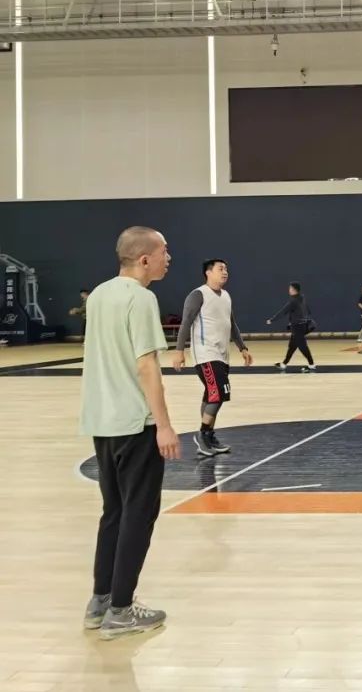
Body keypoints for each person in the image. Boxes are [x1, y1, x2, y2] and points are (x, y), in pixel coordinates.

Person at [80, 226, 181, 640]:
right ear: (144, 259)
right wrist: (164, 425)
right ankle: (121, 611)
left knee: (114, 512)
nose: (168, 258)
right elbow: (146, 366)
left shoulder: (99, 295)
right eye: (164, 252)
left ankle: (100, 602)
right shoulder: (141, 298)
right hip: (135, 424)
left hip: (102, 422)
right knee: (138, 515)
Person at [172, 259, 254, 458]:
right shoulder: (198, 294)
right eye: (220, 269)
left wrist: (243, 347)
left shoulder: (226, 296)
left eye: (226, 269)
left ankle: (208, 437)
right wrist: (179, 351)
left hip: (222, 354)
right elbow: (185, 323)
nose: (225, 272)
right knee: (219, 393)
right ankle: (202, 435)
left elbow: (231, 324)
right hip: (205, 354)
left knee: (212, 394)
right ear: (208, 272)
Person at [266, 282, 317, 372]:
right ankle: (284, 364)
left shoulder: (293, 301)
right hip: (300, 326)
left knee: (303, 347)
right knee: (292, 346)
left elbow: (283, 312)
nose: (289, 290)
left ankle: (312, 365)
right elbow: (307, 310)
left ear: (294, 290)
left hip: (298, 327)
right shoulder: (302, 298)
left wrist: (271, 320)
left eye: (290, 288)